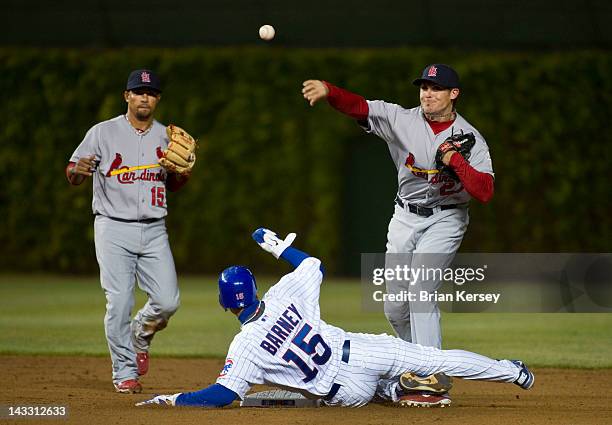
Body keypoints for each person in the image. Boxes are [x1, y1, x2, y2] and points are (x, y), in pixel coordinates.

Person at [135, 228, 533, 409]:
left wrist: (176, 399)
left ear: (224, 305)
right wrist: (277, 249)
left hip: (344, 395)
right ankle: (512, 372)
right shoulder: (282, 294)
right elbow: (313, 265)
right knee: (436, 360)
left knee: (337, 392)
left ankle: (392, 392)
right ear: (254, 289)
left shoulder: (244, 347)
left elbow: (224, 396)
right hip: (361, 350)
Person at [301, 64, 494, 406]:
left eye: (436, 88)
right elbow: (359, 106)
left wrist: (456, 161)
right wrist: (329, 90)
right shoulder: (401, 119)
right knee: (394, 307)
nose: (427, 93)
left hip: (447, 218)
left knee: (421, 286)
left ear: (454, 94)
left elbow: (485, 191)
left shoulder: (470, 137)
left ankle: (431, 375)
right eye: (423, 87)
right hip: (405, 216)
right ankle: (413, 364)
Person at [66, 69, 192, 393]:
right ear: (127, 96)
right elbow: (74, 171)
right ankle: (124, 371)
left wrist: (182, 173)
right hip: (112, 227)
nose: (144, 97)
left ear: (158, 98)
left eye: (150, 92)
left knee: (167, 301)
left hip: (154, 229)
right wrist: (77, 171)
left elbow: (174, 185)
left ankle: (141, 334)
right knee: (120, 302)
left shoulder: (167, 136)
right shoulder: (102, 132)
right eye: (138, 91)